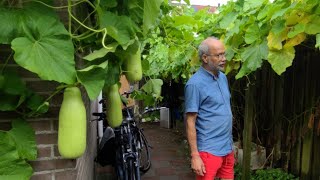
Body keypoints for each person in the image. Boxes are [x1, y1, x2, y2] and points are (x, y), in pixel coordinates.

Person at [184, 37, 234, 180]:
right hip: (208, 151)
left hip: (227, 148)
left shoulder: (223, 78)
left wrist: (230, 145)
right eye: (219, 55)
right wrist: (195, 156)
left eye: (224, 54)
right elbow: (190, 121)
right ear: (205, 58)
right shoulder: (195, 84)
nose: (224, 58)